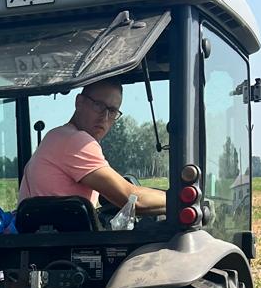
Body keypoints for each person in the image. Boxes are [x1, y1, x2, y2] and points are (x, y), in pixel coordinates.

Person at [18, 81, 166, 216]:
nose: (104, 117)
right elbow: (133, 200)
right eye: (99, 105)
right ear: (79, 102)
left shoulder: (56, 136)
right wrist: (176, 199)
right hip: (60, 235)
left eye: (112, 111)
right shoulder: (76, 140)